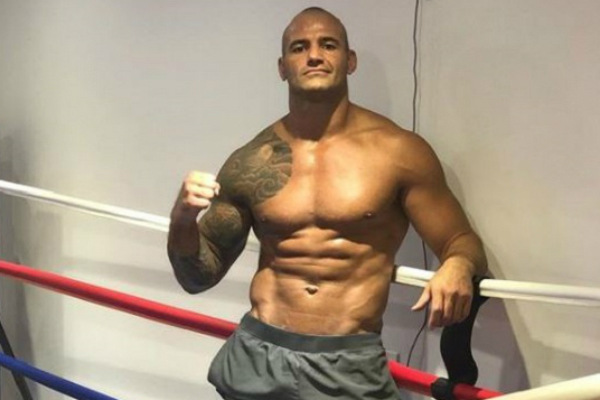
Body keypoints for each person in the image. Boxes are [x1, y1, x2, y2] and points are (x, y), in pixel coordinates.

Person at [167, 7, 487, 400]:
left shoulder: (399, 152)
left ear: (350, 61)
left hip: (348, 360)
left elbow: (461, 240)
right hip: (257, 353)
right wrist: (182, 218)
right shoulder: (251, 162)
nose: (314, 55)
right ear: (282, 67)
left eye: (328, 45)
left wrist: (458, 265)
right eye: (299, 47)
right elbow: (197, 277)